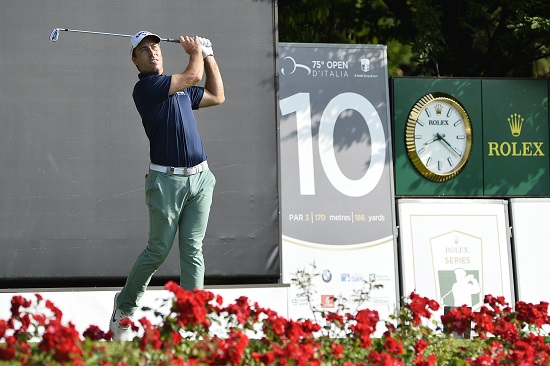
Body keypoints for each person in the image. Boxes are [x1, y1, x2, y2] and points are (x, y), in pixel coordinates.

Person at [109, 31, 224, 341]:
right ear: (135, 60)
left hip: (201, 179)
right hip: (166, 183)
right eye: (144, 51)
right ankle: (124, 307)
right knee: (158, 250)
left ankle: (192, 322)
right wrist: (197, 52)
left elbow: (216, 95)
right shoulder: (146, 88)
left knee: (193, 251)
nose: (152, 53)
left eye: (155, 47)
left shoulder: (182, 90)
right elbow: (193, 73)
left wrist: (209, 55)